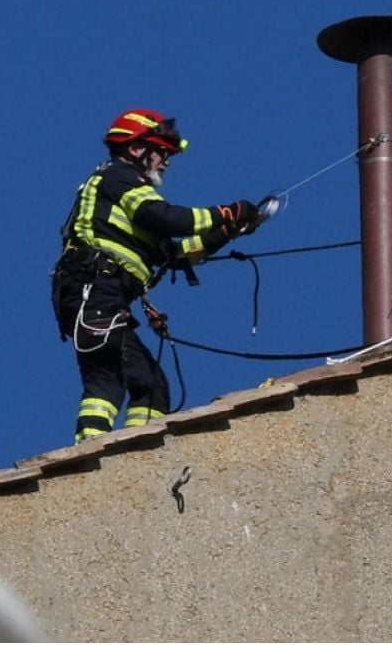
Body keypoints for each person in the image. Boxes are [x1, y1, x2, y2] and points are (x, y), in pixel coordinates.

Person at [51, 108, 262, 444]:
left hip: (102, 296)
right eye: (162, 151)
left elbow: (175, 254)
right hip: (96, 289)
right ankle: (87, 456)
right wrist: (223, 212)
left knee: (150, 385)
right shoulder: (118, 177)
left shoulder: (131, 206)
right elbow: (166, 217)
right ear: (136, 149)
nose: (167, 160)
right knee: (106, 379)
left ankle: (133, 456)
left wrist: (228, 230)